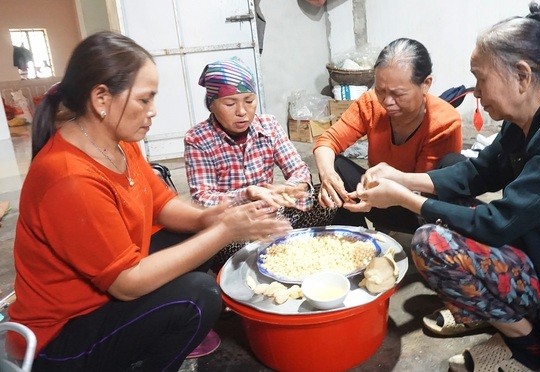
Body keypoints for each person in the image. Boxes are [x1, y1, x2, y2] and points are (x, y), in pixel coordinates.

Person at [343, 4, 540, 371]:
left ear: (522, 75)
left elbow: (497, 222)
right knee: (452, 172)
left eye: (480, 78)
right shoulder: (526, 118)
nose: (476, 91)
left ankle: (529, 344)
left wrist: (404, 198)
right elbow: (475, 174)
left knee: (431, 242)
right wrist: (399, 176)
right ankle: (497, 310)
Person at [7, 31, 291, 371]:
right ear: (101, 98)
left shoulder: (118, 141)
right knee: (199, 295)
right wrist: (223, 231)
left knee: (197, 239)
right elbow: (127, 284)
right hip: (61, 339)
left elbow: (161, 204)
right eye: (145, 100)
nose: (153, 111)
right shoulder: (68, 177)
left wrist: (211, 219)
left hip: (100, 300)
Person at [184, 57, 335, 269]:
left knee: (329, 198)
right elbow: (202, 200)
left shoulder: (269, 126)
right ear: (211, 104)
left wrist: (291, 189)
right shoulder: (198, 139)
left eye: (249, 100)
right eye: (230, 103)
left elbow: (299, 170)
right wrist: (246, 194)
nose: (242, 111)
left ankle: (314, 253)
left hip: (275, 213)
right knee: (233, 251)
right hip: (234, 228)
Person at [313, 37, 463, 234]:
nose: (387, 101)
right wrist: (328, 175)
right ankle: (356, 242)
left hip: (419, 210)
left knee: (452, 168)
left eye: (398, 94)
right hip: (376, 196)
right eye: (380, 90)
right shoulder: (371, 103)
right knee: (336, 166)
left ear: (426, 84)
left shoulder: (444, 122)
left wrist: (376, 191)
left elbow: (423, 189)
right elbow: (327, 141)